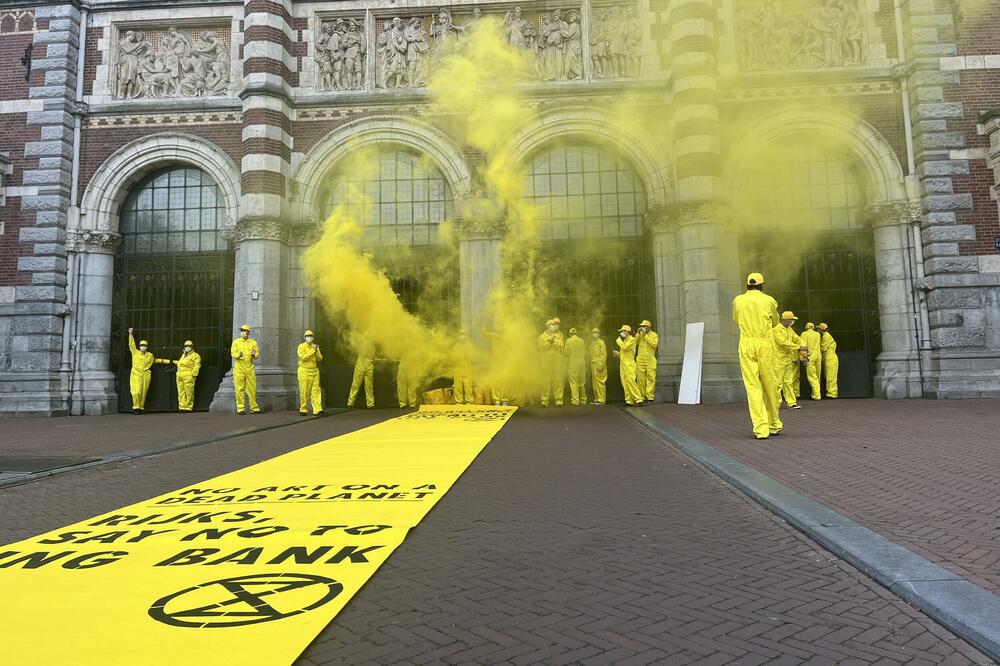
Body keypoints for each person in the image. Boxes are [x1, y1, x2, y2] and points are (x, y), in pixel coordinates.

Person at [732, 272, 782, 439]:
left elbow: (736, 319)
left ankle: (760, 429)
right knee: (770, 384)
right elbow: (775, 322)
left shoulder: (738, 300)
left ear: (747, 285)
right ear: (762, 284)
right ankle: (773, 424)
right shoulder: (769, 300)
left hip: (746, 344)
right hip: (764, 344)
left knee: (752, 387)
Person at [771, 312, 807, 410]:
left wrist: (802, 346)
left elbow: (797, 338)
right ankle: (775, 405)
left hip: (788, 360)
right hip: (778, 360)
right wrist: (798, 347)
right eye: (791, 319)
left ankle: (791, 403)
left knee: (788, 382)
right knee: (778, 383)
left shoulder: (789, 329)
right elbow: (783, 343)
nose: (792, 321)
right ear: (785, 319)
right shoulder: (776, 330)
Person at [156, 340, 201, 412]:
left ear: (192, 347)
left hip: (188, 375)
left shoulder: (195, 355)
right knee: (181, 392)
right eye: (186, 346)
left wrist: (194, 374)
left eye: (189, 346)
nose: (187, 347)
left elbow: (197, 365)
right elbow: (180, 363)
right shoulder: (183, 355)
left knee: (189, 392)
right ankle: (182, 406)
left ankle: (188, 407)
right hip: (180, 375)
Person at [230, 324, 260, 414]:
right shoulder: (236, 342)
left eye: (244, 330)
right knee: (239, 389)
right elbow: (233, 353)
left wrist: (253, 354)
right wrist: (238, 355)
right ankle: (241, 408)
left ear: (248, 332)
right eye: (241, 330)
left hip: (250, 368)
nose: (242, 332)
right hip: (239, 368)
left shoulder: (253, 342)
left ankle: (254, 408)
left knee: (252, 389)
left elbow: (257, 355)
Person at [537, 318, 565, 407]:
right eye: (552, 325)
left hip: (557, 362)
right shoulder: (541, 337)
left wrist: (554, 341)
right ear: (548, 326)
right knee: (545, 381)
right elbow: (541, 348)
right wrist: (549, 341)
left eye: (555, 325)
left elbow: (561, 345)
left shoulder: (559, 335)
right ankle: (544, 401)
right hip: (546, 362)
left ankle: (559, 400)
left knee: (557, 381)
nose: (554, 326)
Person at [126, 328, 154, 414]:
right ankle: (136, 407)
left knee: (143, 392)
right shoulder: (135, 353)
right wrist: (130, 334)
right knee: (136, 391)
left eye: (144, 345)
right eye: (141, 345)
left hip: (145, 374)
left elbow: (151, 363)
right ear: (139, 346)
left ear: (147, 346)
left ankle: (141, 407)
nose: (143, 347)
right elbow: (131, 345)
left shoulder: (150, 355)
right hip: (136, 373)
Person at [297, 330, 323, 416]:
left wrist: (317, 351)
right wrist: (312, 351)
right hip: (304, 371)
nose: (309, 337)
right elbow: (303, 357)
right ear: (305, 337)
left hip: (314, 371)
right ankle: (303, 409)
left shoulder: (315, 347)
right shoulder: (301, 347)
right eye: (308, 336)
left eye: (311, 336)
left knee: (316, 390)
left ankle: (317, 409)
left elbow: (320, 358)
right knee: (304, 391)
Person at [614, 324, 641, 406]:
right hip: (623, 365)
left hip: (629, 365)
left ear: (627, 332)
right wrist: (617, 354)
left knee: (631, 382)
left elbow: (625, 348)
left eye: (623, 331)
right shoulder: (625, 341)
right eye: (621, 331)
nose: (621, 333)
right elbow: (624, 353)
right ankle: (629, 401)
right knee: (625, 383)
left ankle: (639, 399)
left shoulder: (632, 339)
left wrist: (618, 341)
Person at [347, 339, 376, 409]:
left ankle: (370, 403)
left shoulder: (373, 343)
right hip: (361, 361)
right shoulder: (360, 339)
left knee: (369, 385)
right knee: (356, 383)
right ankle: (350, 402)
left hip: (369, 362)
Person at [635, 319, 658, 403]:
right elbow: (634, 343)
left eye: (644, 326)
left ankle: (650, 396)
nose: (642, 328)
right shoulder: (640, 334)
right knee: (640, 379)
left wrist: (645, 335)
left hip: (650, 360)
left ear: (648, 327)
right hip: (640, 359)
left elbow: (654, 344)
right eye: (641, 326)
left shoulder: (654, 335)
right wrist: (638, 334)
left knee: (651, 378)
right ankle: (641, 396)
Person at [565, 327, 587, 406]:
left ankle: (575, 401)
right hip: (581, 361)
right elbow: (584, 351)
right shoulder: (582, 340)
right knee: (582, 382)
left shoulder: (568, 341)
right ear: (576, 333)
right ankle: (583, 400)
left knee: (574, 381)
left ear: (570, 334)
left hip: (573, 362)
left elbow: (567, 352)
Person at [800, 322, 823, 401]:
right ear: (813, 327)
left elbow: (803, 346)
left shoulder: (804, 334)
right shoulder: (818, 334)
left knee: (811, 376)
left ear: (806, 327)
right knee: (817, 375)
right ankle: (815, 393)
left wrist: (803, 357)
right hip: (818, 355)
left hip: (810, 355)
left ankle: (817, 395)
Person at [453, 330, 476, 405]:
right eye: (460, 334)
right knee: (458, 386)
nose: (461, 336)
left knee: (468, 385)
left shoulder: (470, 346)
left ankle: (469, 401)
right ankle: (458, 401)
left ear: (466, 336)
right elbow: (453, 357)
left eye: (463, 334)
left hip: (467, 366)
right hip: (458, 367)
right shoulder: (456, 346)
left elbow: (472, 357)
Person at [818, 322, 839, 398]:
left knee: (831, 376)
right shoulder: (826, 336)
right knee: (830, 376)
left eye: (818, 329)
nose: (818, 330)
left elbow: (823, 348)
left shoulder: (826, 336)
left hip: (830, 358)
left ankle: (832, 393)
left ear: (821, 329)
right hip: (829, 358)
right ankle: (832, 392)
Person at [589, 328, 607, 405]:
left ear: (599, 334)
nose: (594, 334)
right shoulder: (593, 342)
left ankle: (601, 399)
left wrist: (600, 365)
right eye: (593, 332)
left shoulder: (601, 343)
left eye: (596, 332)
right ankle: (596, 398)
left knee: (600, 383)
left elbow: (604, 354)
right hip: (593, 364)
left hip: (599, 365)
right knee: (594, 382)